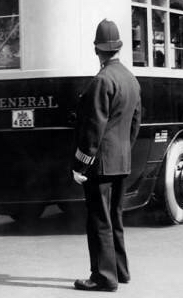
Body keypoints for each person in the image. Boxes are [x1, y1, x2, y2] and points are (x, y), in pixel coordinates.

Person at [72, 19, 141, 292]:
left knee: (99, 220)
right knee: (116, 217)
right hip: (121, 160)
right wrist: (123, 151)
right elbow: (135, 122)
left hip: (100, 164)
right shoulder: (130, 79)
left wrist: (80, 165)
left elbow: (93, 128)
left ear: (97, 50)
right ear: (119, 47)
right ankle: (121, 271)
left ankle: (103, 277)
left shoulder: (102, 80)